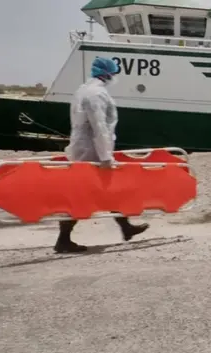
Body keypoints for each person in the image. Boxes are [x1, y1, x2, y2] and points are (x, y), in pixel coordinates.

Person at [56, 57, 149, 253]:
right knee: (83, 194)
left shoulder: (84, 89)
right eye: (114, 73)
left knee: (108, 189)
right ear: (108, 74)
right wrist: (106, 156)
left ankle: (126, 227)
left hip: (85, 147)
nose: (115, 77)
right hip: (92, 150)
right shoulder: (96, 94)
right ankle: (63, 240)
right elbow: (99, 126)